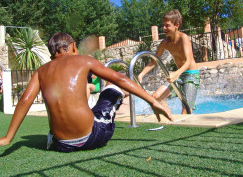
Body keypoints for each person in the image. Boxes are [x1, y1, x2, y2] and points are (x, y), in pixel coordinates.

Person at [0, 32, 173, 152]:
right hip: (91, 137)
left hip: (62, 144)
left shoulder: (41, 70)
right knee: (112, 89)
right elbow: (120, 79)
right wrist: (152, 101)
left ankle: (53, 137)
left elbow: (25, 100)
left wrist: (8, 137)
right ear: (73, 46)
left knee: (89, 108)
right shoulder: (83, 60)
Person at [138, 10, 200, 114]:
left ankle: (184, 127)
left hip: (191, 76)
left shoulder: (183, 38)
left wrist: (176, 73)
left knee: (186, 110)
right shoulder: (165, 43)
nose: (164, 28)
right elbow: (153, 61)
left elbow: (189, 60)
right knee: (156, 97)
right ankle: (169, 118)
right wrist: (141, 75)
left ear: (177, 25)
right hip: (178, 75)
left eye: (167, 25)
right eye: (163, 25)